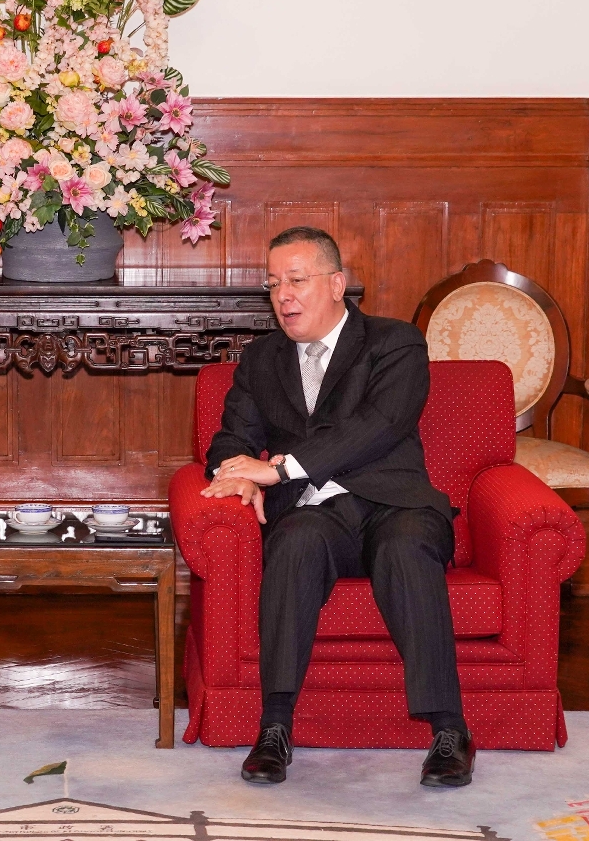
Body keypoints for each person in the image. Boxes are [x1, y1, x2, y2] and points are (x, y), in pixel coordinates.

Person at [201, 227, 474, 788]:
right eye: (273, 284)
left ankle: (450, 731)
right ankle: (274, 727)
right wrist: (237, 477)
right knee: (295, 540)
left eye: (296, 281)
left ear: (336, 284)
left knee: (404, 550)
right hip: (318, 515)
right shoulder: (262, 360)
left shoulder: (395, 343)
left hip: (397, 503)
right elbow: (231, 437)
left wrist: (279, 469)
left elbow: (381, 425)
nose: (283, 296)